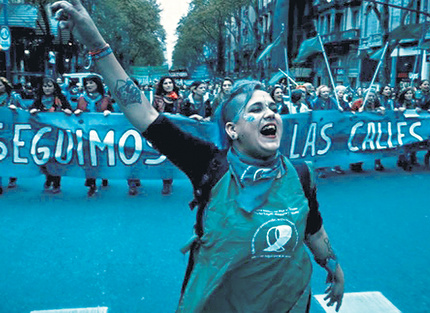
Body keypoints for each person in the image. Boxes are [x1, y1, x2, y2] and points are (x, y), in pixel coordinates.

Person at [51, 1, 345, 312]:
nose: (270, 113)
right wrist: (96, 42)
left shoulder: (300, 175)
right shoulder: (210, 164)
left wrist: (334, 266)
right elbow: (142, 112)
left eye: (273, 107)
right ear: (232, 129)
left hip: (289, 303)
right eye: (256, 109)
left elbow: (312, 229)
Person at [30, 76, 73, 193]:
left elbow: (69, 109)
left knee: (56, 158)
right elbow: (31, 109)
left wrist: (67, 111)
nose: (47, 88)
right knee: (44, 159)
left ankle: (56, 182)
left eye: (50, 86)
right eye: (45, 86)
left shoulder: (60, 98)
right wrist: (33, 111)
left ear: (54, 87)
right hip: (43, 135)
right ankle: (48, 178)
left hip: (57, 135)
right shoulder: (39, 99)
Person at [75, 74, 114, 196]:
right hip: (86, 133)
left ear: (98, 84)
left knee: (101, 156)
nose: (88, 85)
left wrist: (108, 112)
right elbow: (75, 115)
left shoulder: (105, 98)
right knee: (88, 157)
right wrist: (77, 112)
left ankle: (104, 176)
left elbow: (114, 114)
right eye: (87, 83)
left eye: (91, 83)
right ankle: (91, 182)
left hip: (102, 134)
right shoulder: (81, 99)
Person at [152, 75, 183, 195]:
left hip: (177, 131)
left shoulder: (179, 99)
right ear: (162, 86)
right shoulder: (157, 99)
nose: (168, 85)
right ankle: (166, 182)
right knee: (164, 156)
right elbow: (152, 113)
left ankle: (169, 179)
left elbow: (185, 113)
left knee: (173, 157)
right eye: (165, 83)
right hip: (162, 131)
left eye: (170, 83)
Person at [0, 76, 24, 193]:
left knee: (10, 154)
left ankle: (12, 176)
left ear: (5, 86)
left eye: (0, 85)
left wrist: (16, 109)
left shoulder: (14, 97)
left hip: (11, 130)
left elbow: (24, 111)